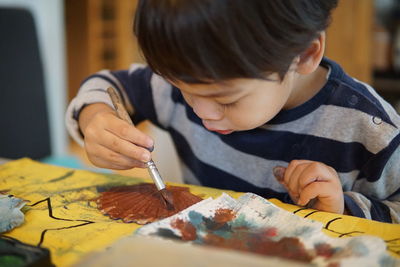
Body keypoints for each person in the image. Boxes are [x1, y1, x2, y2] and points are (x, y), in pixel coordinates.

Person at [66, 0, 400, 223]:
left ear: (303, 55)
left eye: (226, 100)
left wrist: (344, 208)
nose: (202, 112)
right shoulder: (190, 78)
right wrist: (94, 116)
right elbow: (109, 83)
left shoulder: (370, 129)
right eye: (184, 89)